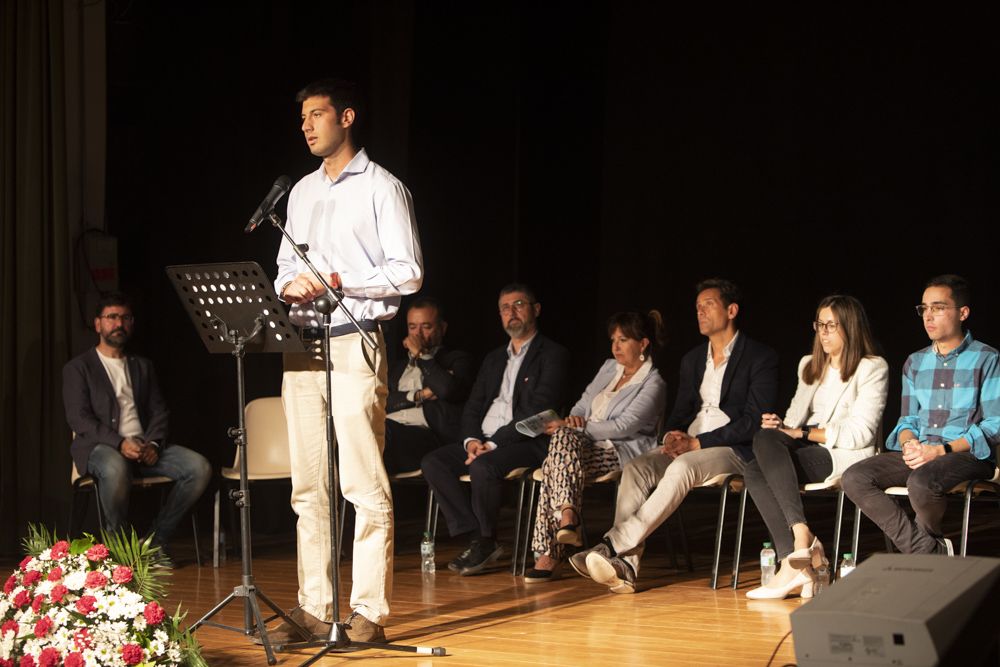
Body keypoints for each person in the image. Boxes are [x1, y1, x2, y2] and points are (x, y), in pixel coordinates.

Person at [268, 78, 423, 645]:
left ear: (347, 117)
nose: (306, 126)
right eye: (302, 117)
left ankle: (369, 612)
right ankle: (314, 606)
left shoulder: (383, 188)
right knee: (308, 486)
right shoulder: (302, 192)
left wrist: (339, 281)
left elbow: (408, 272)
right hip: (302, 344)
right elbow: (284, 265)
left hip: (357, 336)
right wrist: (292, 286)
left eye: (317, 114)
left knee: (362, 480)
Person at [570, 278, 778, 593]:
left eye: (708, 305)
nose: (700, 312)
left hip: (731, 448)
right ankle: (626, 567)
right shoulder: (693, 359)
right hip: (689, 443)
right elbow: (680, 413)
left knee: (682, 468)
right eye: (697, 307)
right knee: (637, 468)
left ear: (731, 310)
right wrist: (671, 437)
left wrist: (698, 443)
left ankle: (611, 545)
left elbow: (753, 421)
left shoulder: (760, 357)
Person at [843, 274, 1000, 556]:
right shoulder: (915, 362)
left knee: (921, 482)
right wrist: (909, 444)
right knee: (855, 477)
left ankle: (924, 557)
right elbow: (907, 421)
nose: (928, 316)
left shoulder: (987, 358)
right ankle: (927, 550)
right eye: (924, 309)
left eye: (938, 308)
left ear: (963, 313)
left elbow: (995, 424)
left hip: (967, 455)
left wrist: (941, 450)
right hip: (923, 452)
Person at [743, 295, 888, 600]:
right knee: (761, 445)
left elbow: (860, 434)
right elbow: (794, 420)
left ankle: (796, 554)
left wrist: (803, 432)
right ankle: (799, 548)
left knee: (756, 468)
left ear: (850, 327)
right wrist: (781, 425)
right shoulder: (809, 365)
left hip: (842, 453)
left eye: (831, 325)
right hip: (804, 446)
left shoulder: (872, 367)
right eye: (819, 324)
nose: (823, 332)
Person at [421, 283, 570, 576]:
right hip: (485, 442)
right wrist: (471, 441)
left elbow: (539, 412)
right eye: (505, 308)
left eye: (518, 305)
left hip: (529, 440)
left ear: (535, 310)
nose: (511, 313)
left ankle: (486, 540)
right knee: (433, 462)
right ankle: (478, 536)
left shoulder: (553, 354)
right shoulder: (492, 359)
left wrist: (493, 445)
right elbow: (473, 407)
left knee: (483, 468)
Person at [62, 292, 212, 562]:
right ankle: (119, 553)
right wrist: (120, 444)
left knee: (198, 467)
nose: (119, 323)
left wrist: (153, 443)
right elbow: (79, 419)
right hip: (101, 447)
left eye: (125, 318)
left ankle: (153, 542)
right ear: (98, 324)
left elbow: (159, 410)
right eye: (112, 317)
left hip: (143, 446)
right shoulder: (79, 368)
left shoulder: (142, 366)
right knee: (115, 466)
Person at [523, 311, 668, 583]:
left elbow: (625, 426)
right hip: (580, 446)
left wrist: (578, 426)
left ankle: (550, 552)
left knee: (553, 464)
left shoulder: (654, 382)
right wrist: (574, 420)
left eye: (623, 340)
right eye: (613, 339)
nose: (615, 346)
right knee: (562, 445)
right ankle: (568, 516)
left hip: (620, 450)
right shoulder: (608, 368)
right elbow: (582, 403)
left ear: (643, 343)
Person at [383, 298, 474, 474]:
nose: (417, 335)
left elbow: (446, 390)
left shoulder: (457, 360)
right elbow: (382, 402)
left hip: (427, 437)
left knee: (380, 433)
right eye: (412, 327)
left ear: (442, 328)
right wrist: (421, 395)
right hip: (391, 433)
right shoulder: (396, 368)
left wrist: (421, 354)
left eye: (426, 327)